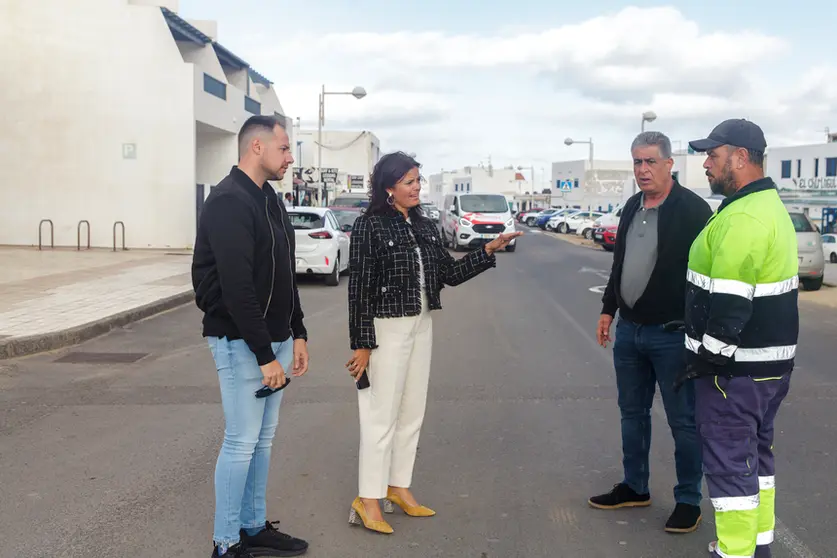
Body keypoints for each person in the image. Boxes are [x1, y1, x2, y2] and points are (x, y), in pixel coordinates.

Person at [345, 151, 522, 534]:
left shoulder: (424, 227)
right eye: (409, 182)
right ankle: (368, 497)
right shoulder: (369, 226)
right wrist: (362, 343)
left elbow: (450, 274)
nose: (416, 188)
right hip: (385, 330)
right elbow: (358, 289)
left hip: (420, 325)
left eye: (418, 181)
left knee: (411, 413)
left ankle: (398, 486)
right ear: (388, 187)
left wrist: (487, 250)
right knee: (380, 417)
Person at [192, 114, 310, 558]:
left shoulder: (271, 201)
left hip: (275, 341)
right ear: (256, 147)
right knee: (241, 441)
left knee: (262, 440)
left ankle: (253, 526)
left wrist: (297, 333)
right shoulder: (228, 201)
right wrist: (264, 353)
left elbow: (285, 275)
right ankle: (225, 542)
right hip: (242, 344)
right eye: (283, 148)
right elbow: (237, 288)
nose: (289, 157)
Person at [684, 119, 798, 558]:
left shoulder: (744, 217)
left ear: (742, 157)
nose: (707, 164)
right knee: (757, 461)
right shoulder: (767, 206)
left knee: (730, 468)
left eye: (713, 155)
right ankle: (759, 546)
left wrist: (705, 359)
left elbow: (730, 305)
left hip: (734, 375)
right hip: (768, 370)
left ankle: (733, 552)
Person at [590, 131, 713, 534]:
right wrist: (609, 309)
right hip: (630, 332)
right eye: (637, 162)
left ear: (668, 164)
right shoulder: (631, 206)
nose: (642, 170)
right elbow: (620, 264)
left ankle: (688, 501)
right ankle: (635, 486)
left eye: (650, 162)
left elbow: (708, 275)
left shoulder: (693, 210)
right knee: (632, 414)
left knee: (683, 421)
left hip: (672, 334)